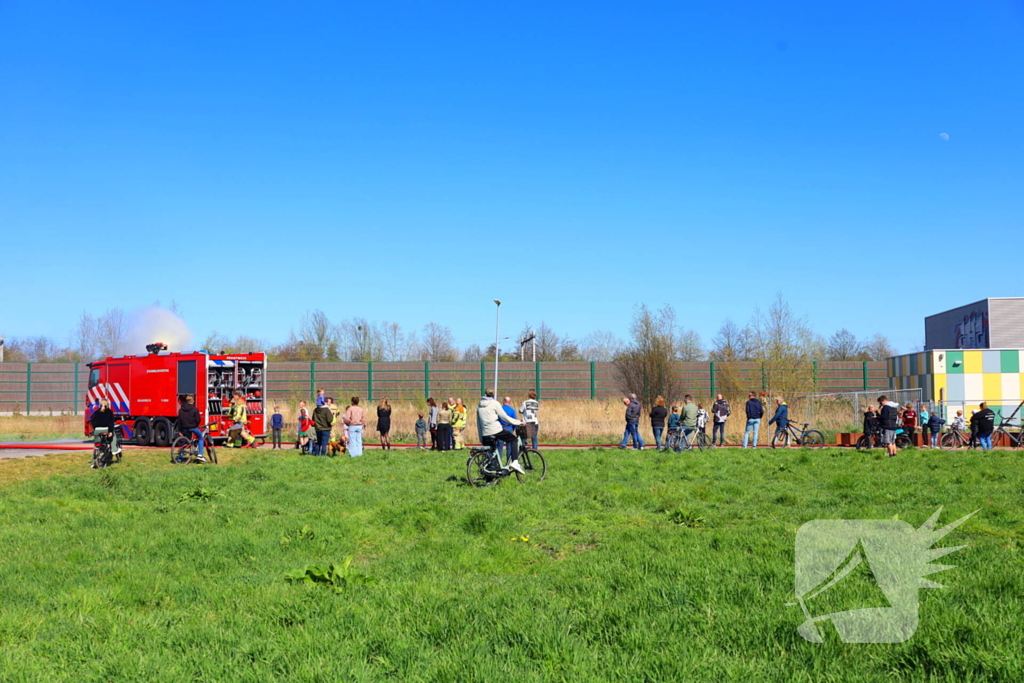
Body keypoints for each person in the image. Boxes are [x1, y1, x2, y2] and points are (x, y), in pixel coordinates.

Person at [476, 390, 524, 473]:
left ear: (485, 394)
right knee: (513, 440)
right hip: (496, 430)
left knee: (491, 454)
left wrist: (481, 437)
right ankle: (515, 462)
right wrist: (519, 422)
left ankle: (489, 479)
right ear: (493, 395)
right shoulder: (495, 403)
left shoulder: (479, 406)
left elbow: (478, 423)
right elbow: (505, 417)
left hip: (485, 433)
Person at [89, 398, 121, 467]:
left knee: (96, 446)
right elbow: (110, 423)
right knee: (114, 435)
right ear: (108, 405)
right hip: (106, 429)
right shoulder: (109, 412)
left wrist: (95, 429)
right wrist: (110, 431)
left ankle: (93, 463)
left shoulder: (96, 412)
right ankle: (114, 449)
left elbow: (92, 421)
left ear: (100, 405)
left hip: (97, 430)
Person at [177, 394, 206, 462]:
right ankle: (200, 455)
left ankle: (180, 457)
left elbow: (179, 421)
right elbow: (197, 420)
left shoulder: (181, 410)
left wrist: (180, 430)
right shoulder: (195, 409)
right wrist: (195, 425)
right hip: (193, 427)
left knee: (185, 441)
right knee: (200, 438)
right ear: (193, 401)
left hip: (184, 428)